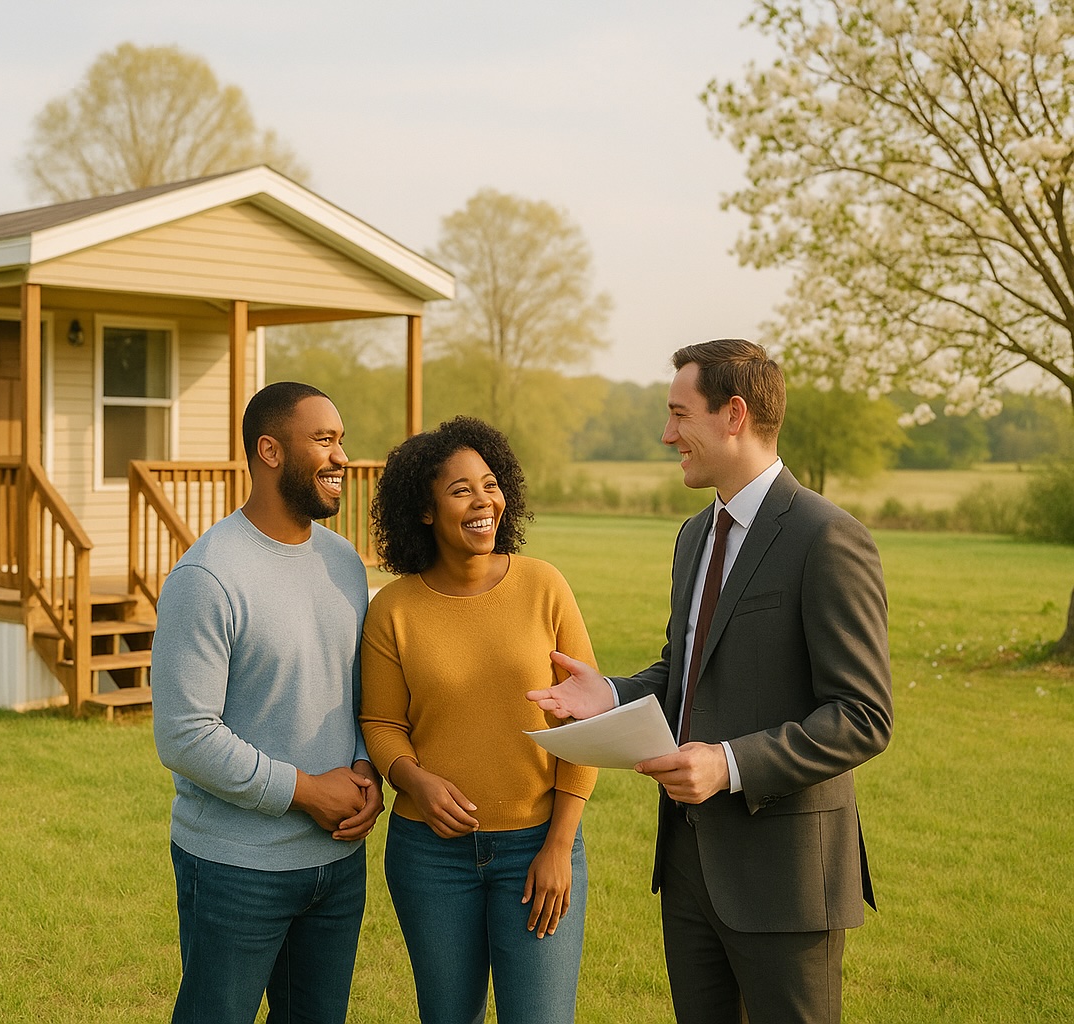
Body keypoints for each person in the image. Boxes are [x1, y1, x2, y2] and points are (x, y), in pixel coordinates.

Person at [528, 339, 893, 1024]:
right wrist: (608, 694)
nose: (667, 435)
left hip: (786, 875)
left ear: (734, 414)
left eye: (678, 414)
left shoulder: (827, 537)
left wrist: (727, 764)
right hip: (689, 866)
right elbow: (684, 671)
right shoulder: (695, 535)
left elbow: (863, 715)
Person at [151, 381, 384, 1024]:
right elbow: (185, 735)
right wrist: (308, 790)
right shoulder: (208, 576)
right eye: (324, 440)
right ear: (270, 451)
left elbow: (356, 687)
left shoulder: (343, 562)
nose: (341, 457)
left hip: (337, 864)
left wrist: (365, 768)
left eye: (341, 440)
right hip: (234, 869)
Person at [360, 416, 598, 1024]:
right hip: (430, 856)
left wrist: (559, 847)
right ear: (425, 511)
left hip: (538, 845)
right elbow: (381, 723)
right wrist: (415, 781)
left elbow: (585, 715)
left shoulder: (545, 586)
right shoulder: (393, 610)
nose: (482, 501)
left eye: (490, 485)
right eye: (460, 489)